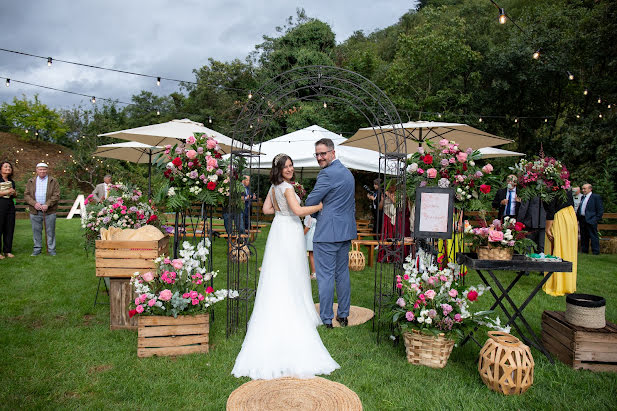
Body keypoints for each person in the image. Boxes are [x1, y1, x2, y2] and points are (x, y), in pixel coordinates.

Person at [232, 154, 339, 380]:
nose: (290, 169)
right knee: (294, 271)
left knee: (279, 270)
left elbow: (267, 210)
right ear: (279, 169)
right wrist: (318, 205)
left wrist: (284, 210)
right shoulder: (288, 188)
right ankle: (295, 307)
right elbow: (299, 212)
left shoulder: (274, 186)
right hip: (290, 230)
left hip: (278, 229)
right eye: (286, 167)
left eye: (291, 166)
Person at [305, 138, 356, 328]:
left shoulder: (326, 174)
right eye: (317, 154)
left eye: (323, 153)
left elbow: (311, 200)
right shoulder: (348, 174)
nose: (319, 157)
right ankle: (343, 315)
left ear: (333, 153)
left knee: (325, 276)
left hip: (327, 233)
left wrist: (318, 211)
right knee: (342, 274)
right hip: (345, 231)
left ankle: (326, 318)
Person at [543, 189, 577, 296]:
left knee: (557, 248)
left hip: (559, 219)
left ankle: (556, 284)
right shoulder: (566, 187)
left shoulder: (551, 188)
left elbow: (551, 208)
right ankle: (568, 284)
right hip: (570, 218)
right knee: (568, 250)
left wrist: (548, 228)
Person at [24, 163, 60, 256]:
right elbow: (26, 195)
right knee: (36, 230)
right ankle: (37, 249)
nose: (42, 171)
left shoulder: (53, 181)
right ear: (36, 170)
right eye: (40, 169)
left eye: (44, 169)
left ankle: (51, 249)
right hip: (35, 210)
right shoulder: (31, 181)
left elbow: (56, 195)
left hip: (49, 210)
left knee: (50, 231)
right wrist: (34, 203)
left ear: (47, 170)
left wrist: (47, 204)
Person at [577, 183, 604, 255]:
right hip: (582, 219)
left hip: (591, 219)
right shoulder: (583, 197)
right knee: (583, 236)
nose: (583, 190)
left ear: (590, 189)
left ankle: (595, 251)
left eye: (584, 189)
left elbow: (600, 210)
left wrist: (595, 219)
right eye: (582, 189)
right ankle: (584, 250)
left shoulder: (595, 197)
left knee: (593, 235)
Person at [0, 161, 17, 259]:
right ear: (0, 169)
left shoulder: (12, 182)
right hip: (0, 205)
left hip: (10, 206)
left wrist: (13, 193)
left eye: (10, 167)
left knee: (9, 228)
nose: (8, 168)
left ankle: (7, 251)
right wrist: (7, 191)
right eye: (5, 166)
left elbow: (14, 194)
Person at [304, 215, 317, 280]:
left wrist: (302, 234)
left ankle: (314, 273)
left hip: (311, 235)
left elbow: (308, 226)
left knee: (311, 254)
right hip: (319, 234)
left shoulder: (309, 215)